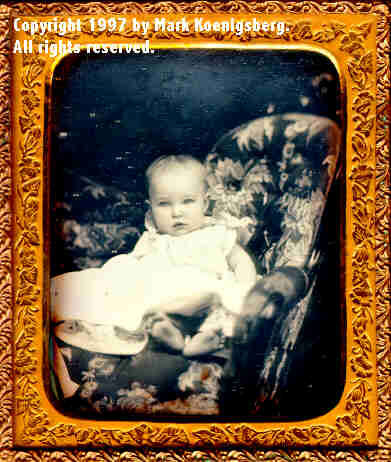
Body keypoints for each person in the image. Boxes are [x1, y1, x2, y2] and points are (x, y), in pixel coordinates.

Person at [99, 154, 257, 356]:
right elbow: (133, 269)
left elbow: (241, 261)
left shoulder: (216, 233)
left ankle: (207, 336)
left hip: (207, 296)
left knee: (224, 306)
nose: (176, 212)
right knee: (141, 301)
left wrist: (245, 288)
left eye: (187, 201)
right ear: (151, 208)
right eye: (164, 204)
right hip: (168, 300)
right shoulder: (152, 239)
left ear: (205, 204)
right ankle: (166, 332)